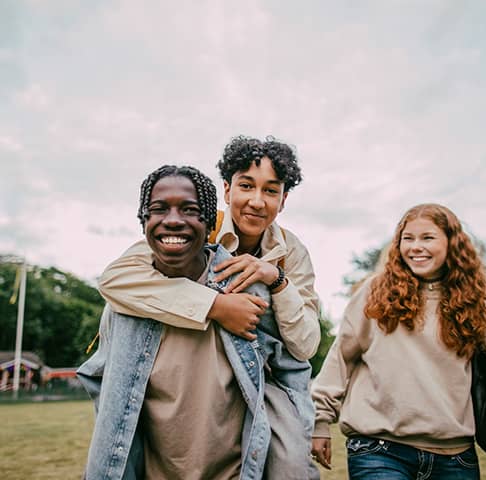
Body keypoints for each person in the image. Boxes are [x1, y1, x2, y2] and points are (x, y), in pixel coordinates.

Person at [96, 137, 321, 479]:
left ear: (284, 199)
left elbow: (304, 345)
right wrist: (216, 304)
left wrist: (275, 278)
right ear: (227, 190)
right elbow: (116, 279)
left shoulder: (291, 251)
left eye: (271, 191)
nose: (257, 202)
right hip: (192, 364)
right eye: (246, 186)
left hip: (265, 373)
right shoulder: (195, 222)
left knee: (291, 462)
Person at [310, 203, 486, 479]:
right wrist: (319, 421)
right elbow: (339, 362)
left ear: (452, 243)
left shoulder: (477, 308)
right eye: (407, 239)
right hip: (379, 451)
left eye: (427, 238)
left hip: (455, 459)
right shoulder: (374, 294)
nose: (415, 247)